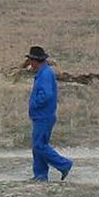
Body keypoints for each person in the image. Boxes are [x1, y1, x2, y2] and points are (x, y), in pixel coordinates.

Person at [24, 45, 73, 182]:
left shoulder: (45, 74)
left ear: (35, 61)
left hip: (43, 116)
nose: (29, 64)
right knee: (38, 146)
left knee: (39, 146)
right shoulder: (44, 72)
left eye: (30, 61)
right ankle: (40, 175)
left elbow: (46, 95)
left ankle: (64, 164)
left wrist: (34, 104)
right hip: (42, 115)